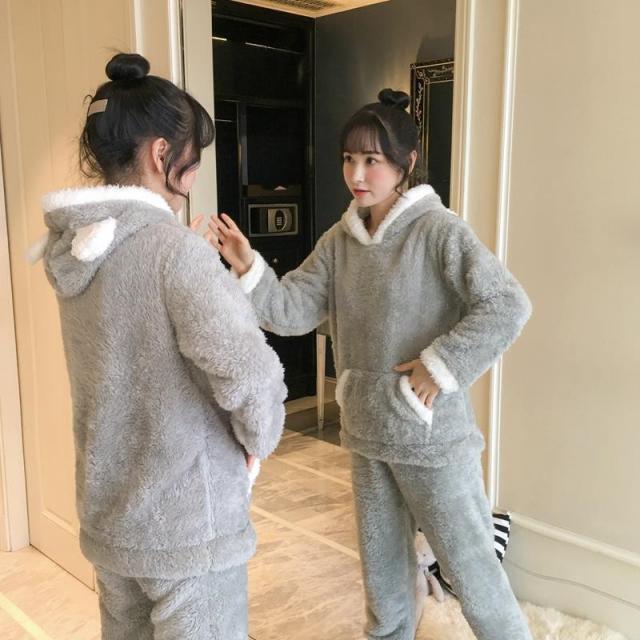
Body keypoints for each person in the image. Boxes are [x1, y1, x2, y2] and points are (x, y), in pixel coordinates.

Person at [207, 89, 533, 640]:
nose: (356, 174)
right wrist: (248, 267)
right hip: (366, 430)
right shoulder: (341, 240)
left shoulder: (439, 231)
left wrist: (440, 365)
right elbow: (291, 310)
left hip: (430, 436)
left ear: (406, 163)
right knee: (382, 575)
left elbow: (507, 303)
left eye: (372, 160)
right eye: (348, 158)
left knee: (472, 570)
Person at [35, 52, 287, 639]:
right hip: (188, 526)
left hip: (112, 517)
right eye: (192, 162)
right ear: (160, 154)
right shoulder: (174, 253)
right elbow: (249, 374)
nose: (192, 178)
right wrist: (259, 441)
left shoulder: (80, 250)